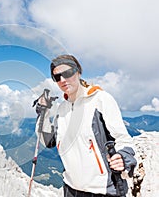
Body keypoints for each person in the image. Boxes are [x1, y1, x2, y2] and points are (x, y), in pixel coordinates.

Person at [35, 54, 137, 196]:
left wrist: (123, 156)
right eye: (57, 77)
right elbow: (48, 141)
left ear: (78, 72)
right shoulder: (61, 109)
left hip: (103, 190)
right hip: (71, 189)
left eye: (67, 73)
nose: (62, 80)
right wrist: (43, 114)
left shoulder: (100, 99)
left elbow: (123, 138)